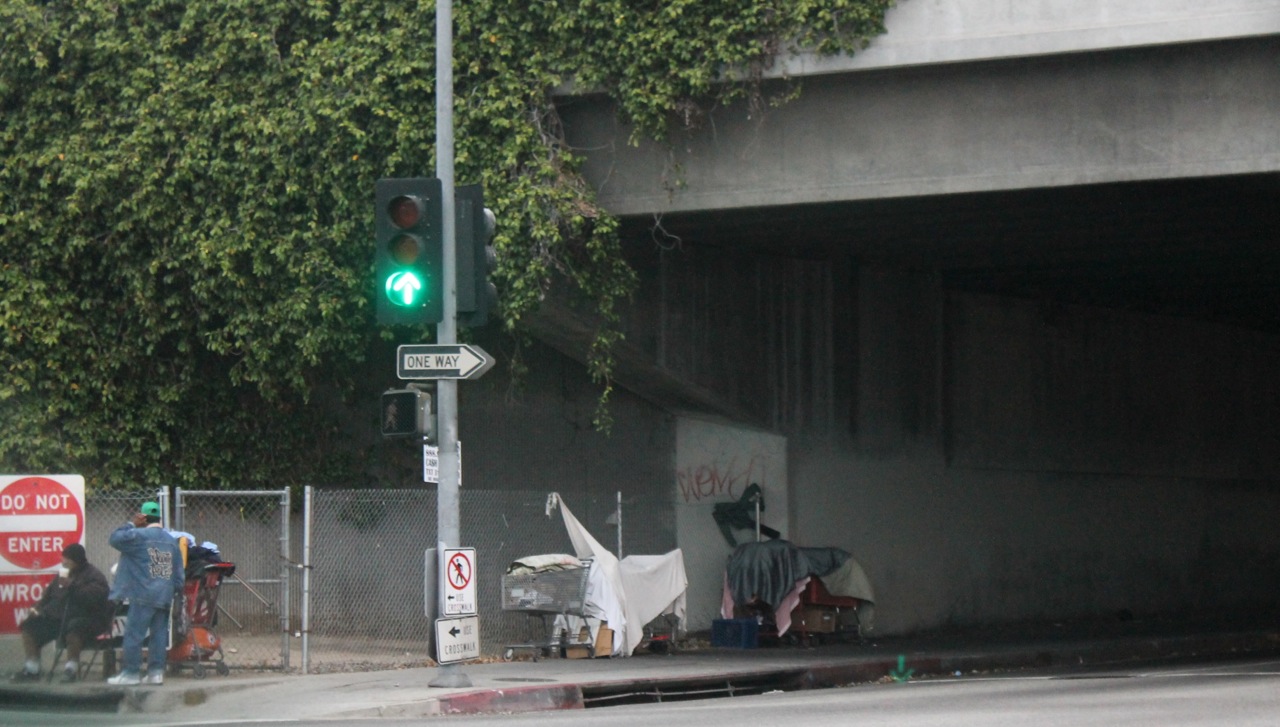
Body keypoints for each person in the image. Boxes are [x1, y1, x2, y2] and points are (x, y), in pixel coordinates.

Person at [106, 501, 184, 686]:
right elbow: (179, 573)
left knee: (135, 634)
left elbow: (115, 539)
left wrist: (132, 523)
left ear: (143, 517)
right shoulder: (171, 541)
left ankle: (131, 673)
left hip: (143, 592)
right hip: (164, 594)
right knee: (158, 635)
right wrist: (176, 592)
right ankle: (155, 673)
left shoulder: (137, 536)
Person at [9, 544, 111, 683]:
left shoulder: (94, 576)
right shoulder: (62, 574)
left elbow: (93, 599)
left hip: (86, 619)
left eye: (67, 560)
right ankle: (32, 669)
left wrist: (72, 586)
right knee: (29, 626)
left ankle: (71, 670)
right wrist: (37, 608)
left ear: (77, 561)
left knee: (74, 627)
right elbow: (48, 595)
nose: (63, 563)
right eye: (63, 560)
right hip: (58, 618)